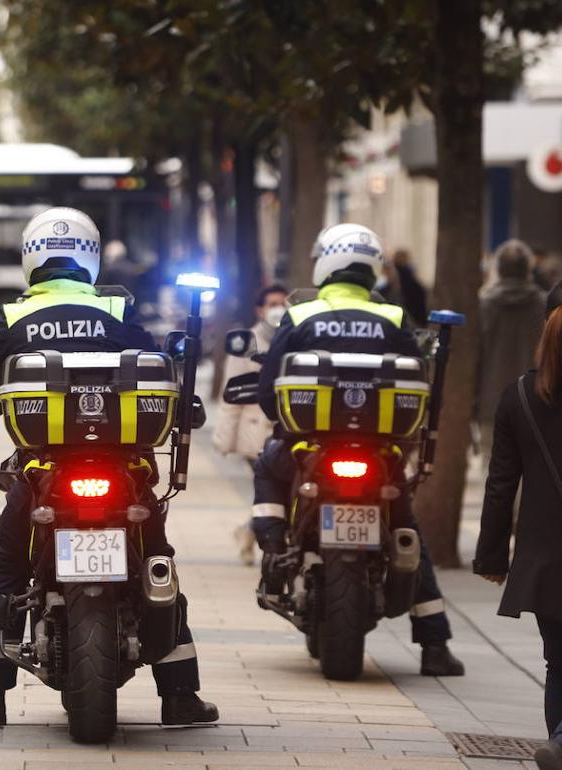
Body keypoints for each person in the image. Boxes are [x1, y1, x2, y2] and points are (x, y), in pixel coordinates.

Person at [0, 207, 219, 728]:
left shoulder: (10, 317)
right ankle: (179, 697)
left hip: (43, 473)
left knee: (9, 568)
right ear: (91, 259)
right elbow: (156, 374)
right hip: (124, 473)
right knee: (156, 564)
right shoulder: (117, 312)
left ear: (31, 259)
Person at [251, 223, 464, 676]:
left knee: (267, 468)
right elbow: (420, 384)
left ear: (325, 261)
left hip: (310, 448)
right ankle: (435, 645)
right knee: (404, 526)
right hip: (380, 452)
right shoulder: (393, 318)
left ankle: (273, 550)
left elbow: (270, 388)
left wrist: (281, 422)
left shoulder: (303, 313)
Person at [476, 285, 562, 770]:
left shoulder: (521, 397)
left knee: (559, 664)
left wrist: (492, 557)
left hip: (545, 559)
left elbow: (500, 484)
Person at [213, 283, 287, 565]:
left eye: (282, 302)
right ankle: (254, 534)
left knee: (272, 493)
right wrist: (224, 437)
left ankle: (248, 532)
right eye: (272, 303)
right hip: (254, 432)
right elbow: (231, 393)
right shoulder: (247, 342)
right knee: (269, 491)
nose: (278, 308)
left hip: (287, 429)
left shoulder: (293, 336)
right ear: (260, 309)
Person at [478, 240, 546, 458]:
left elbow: (475, 359)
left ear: (498, 269)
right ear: (529, 269)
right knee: (532, 470)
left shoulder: (483, 305)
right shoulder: (546, 307)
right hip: (536, 402)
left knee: (492, 468)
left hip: (492, 402)